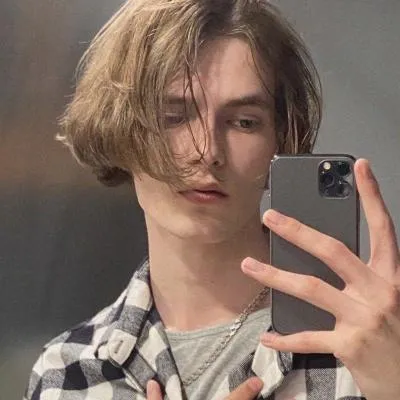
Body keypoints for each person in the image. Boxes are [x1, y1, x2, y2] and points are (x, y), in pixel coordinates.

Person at [25, 0, 400, 399]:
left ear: (281, 140)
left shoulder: (367, 342)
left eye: (244, 122)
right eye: (174, 117)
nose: (207, 151)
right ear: (120, 129)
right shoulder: (69, 374)